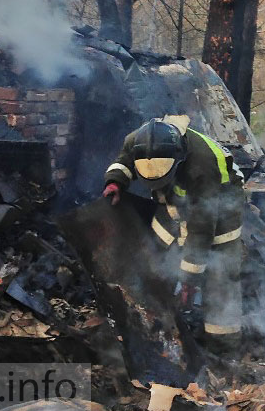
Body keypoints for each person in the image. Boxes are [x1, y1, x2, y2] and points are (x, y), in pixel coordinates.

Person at [103, 116, 245, 353]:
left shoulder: (203, 165)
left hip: (221, 210)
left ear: (179, 160)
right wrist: (115, 182)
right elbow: (124, 161)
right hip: (174, 202)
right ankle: (156, 316)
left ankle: (223, 348)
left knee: (220, 274)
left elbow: (202, 228)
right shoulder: (139, 142)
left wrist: (189, 279)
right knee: (156, 252)